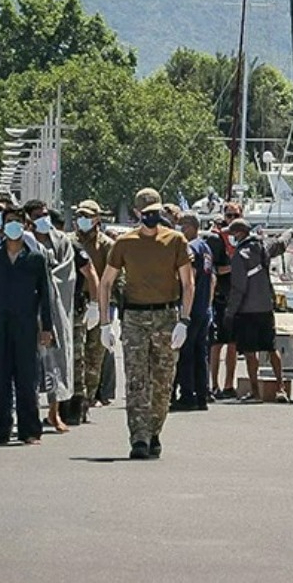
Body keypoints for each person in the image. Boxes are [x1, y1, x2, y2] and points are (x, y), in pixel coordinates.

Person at [98, 187, 194, 460]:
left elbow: (188, 283)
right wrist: (105, 323)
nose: (153, 218)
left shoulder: (175, 241)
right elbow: (106, 282)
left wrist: (184, 320)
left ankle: (154, 432)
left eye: (157, 213)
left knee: (163, 381)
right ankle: (138, 437)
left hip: (166, 316)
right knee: (137, 381)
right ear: (138, 213)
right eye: (148, 213)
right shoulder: (124, 243)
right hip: (135, 318)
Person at [0, 207, 54, 445]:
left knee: (27, 379)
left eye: (17, 222)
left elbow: (46, 295)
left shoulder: (35, 258)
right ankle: (0, 430)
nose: (13, 226)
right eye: (9, 221)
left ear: (25, 226)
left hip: (26, 325)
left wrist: (47, 328)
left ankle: (30, 430)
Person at [26, 199, 85, 434]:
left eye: (45, 214)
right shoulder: (23, 241)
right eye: (38, 215)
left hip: (55, 305)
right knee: (27, 362)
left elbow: (66, 272)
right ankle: (27, 412)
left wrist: (45, 280)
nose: (44, 219)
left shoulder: (61, 241)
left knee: (56, 359)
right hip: (28, 308)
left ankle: (54, 411)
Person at [224, 218, 289, 404]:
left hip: (246, 309)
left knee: (250, 351)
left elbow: (238, 287)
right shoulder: (263, 246)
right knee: (271, 347)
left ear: (238, 234)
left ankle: (255, 393)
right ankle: (280, 388)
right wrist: (290, 232)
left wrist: (230, 312)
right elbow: (281, 243)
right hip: (266, 305)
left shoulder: (239, 255)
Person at [71, 198, 114, 419]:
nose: (82, 220)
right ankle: (74, 402)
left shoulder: (106, 245)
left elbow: (113, 277)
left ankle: (87, 401)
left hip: (98, 303)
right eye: (80, 216)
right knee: (75, 356)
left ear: (97, 219)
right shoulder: (69, 241)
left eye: (87, 216)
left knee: (94, 357)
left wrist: (103, 307)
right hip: (75, 303)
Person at [172, 212, 213, 411]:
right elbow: (212, 279)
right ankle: (202, 394)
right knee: (200, 352)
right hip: (204, 307)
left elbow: (189, 278)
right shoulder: (206, 248)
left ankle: (188, 395)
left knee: (186, 353)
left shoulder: (191, 248)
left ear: (190, 226)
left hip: (191, 306)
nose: (180, 230)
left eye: (182, 226)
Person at [207, 201, 241, 400]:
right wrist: (234, 265)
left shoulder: (245, 238)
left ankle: (229, 384)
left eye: (236, 216)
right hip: (220, 296)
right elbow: (214, 269)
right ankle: (214, 385)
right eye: (229, 216)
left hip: (237, 297)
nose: (232, 220)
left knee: (234, 344)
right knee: (217, 343)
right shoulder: (216, 239)